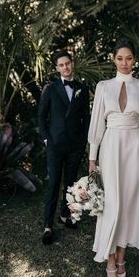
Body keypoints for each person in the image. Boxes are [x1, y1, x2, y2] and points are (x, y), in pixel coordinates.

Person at [88, 39, 139, 277]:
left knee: (129, 204)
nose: (124, 63)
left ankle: (121, 258)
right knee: (111, 204)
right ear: (113, 59)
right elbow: (96, 124)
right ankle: (108, 260)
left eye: (128, 58)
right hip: (110, 149)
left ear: (134, 59)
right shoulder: (103, 87)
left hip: (135, 151)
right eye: (120, 58)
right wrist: (92, 159)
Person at [38, 50, 90, 245]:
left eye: (67, 63)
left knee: (70, 183)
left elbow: (86, 117)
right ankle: (48, 226)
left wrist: (84, 140)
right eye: (61, 65)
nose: (65, 67)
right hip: (55, 144)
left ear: (72, 63)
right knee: (53, 185)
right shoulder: (50, 89)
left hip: (75, 145)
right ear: (57, 68)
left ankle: (65, 215)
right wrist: (46, 140)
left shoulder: (82, 89)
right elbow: (42, 117)